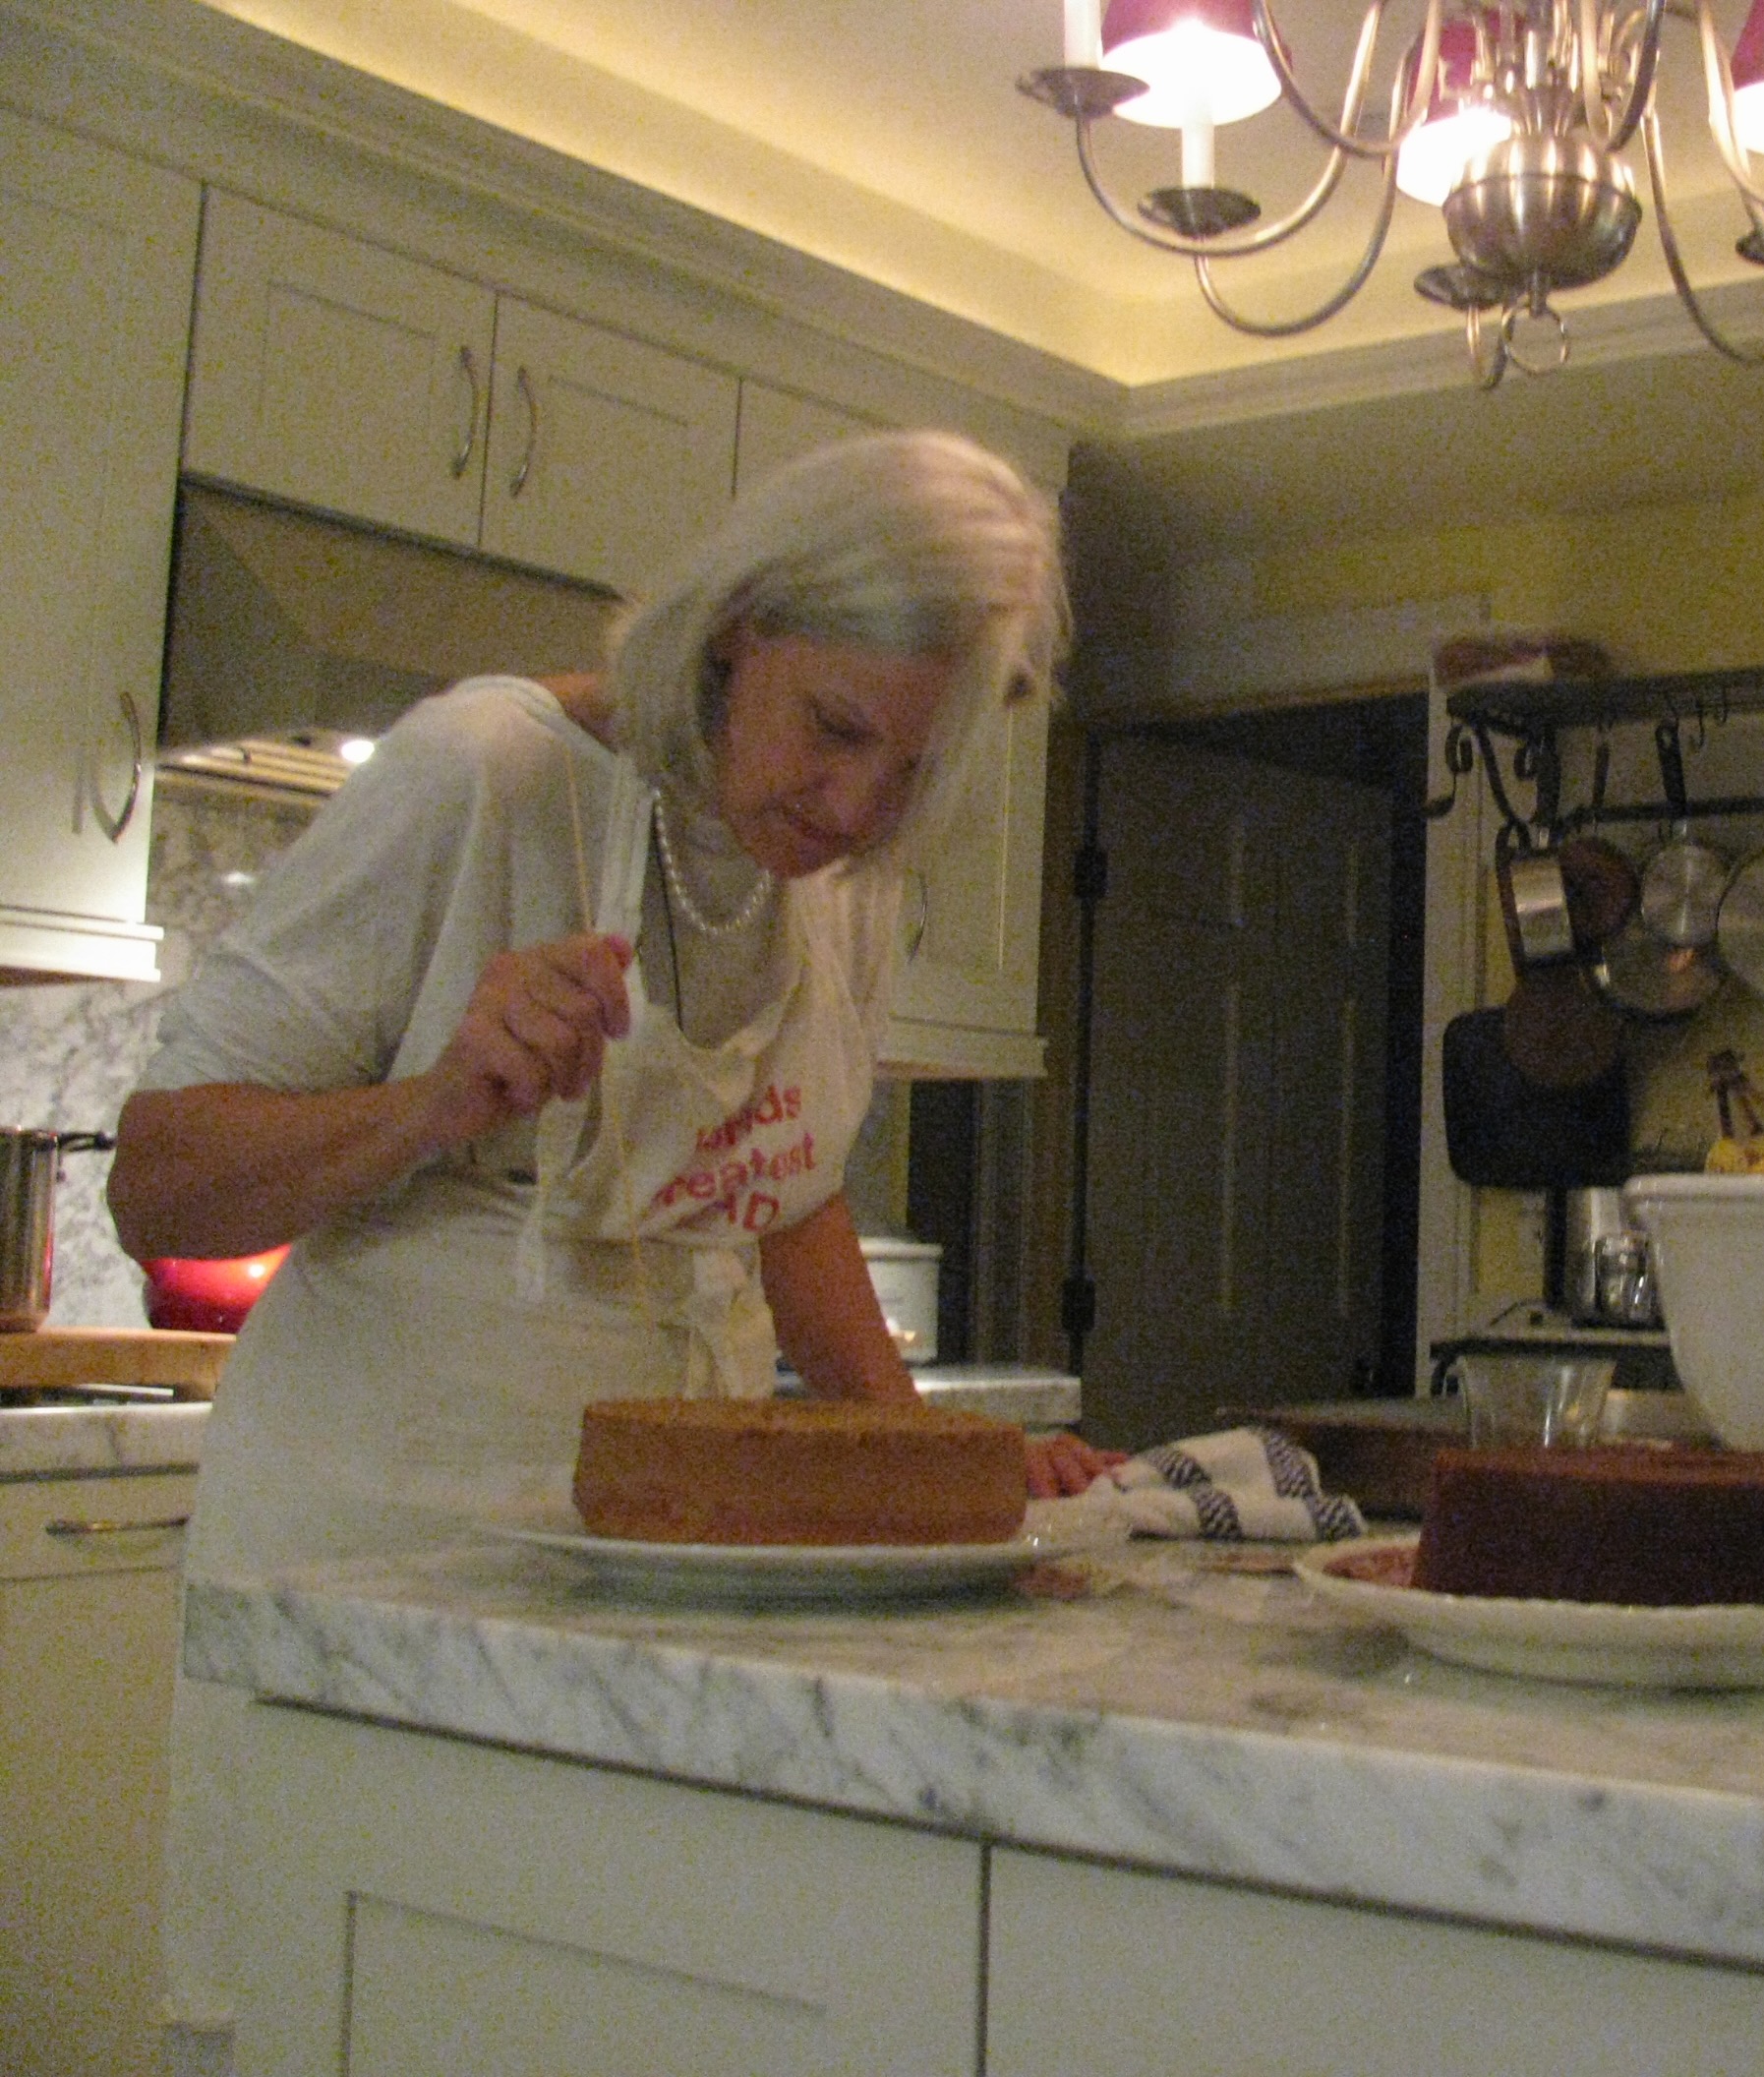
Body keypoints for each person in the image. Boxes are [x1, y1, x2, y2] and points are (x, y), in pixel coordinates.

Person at [107, 429, 1118, 2066]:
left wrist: (944, 1489)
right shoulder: (484, 775)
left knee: (594, 2003)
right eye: (834, 729)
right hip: (383, 1547)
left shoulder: (844, 880)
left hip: (668, 1559)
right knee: (354, 2008)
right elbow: (155, 1186)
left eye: (911, 770)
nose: (856, 806)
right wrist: (439, 1100)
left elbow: (784, 1193)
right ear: (736, 635)